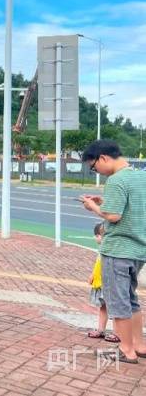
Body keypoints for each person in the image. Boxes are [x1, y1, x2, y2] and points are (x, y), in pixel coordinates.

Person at [80, 140, 146, 364]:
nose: (95, 170)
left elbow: (113, 216)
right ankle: (139, 344)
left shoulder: (116, 180)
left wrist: (94, 207)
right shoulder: (140, 176)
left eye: (93, 166)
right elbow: (132, 206)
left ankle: (126, 349)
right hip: (138, 250)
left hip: (118, 250)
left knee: (118, 302)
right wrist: (106, 202)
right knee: (130, 299)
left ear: (104, 158)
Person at [87, 222, 119, 343]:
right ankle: (101, 329)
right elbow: (98, 264)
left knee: (115, 309)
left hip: (110, 282)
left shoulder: (111, 249)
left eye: (99, 235)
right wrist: (92, 275)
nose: (98, 238)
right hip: (101, 281)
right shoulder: (101, 250)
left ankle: (117, 333)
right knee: (103, 306)